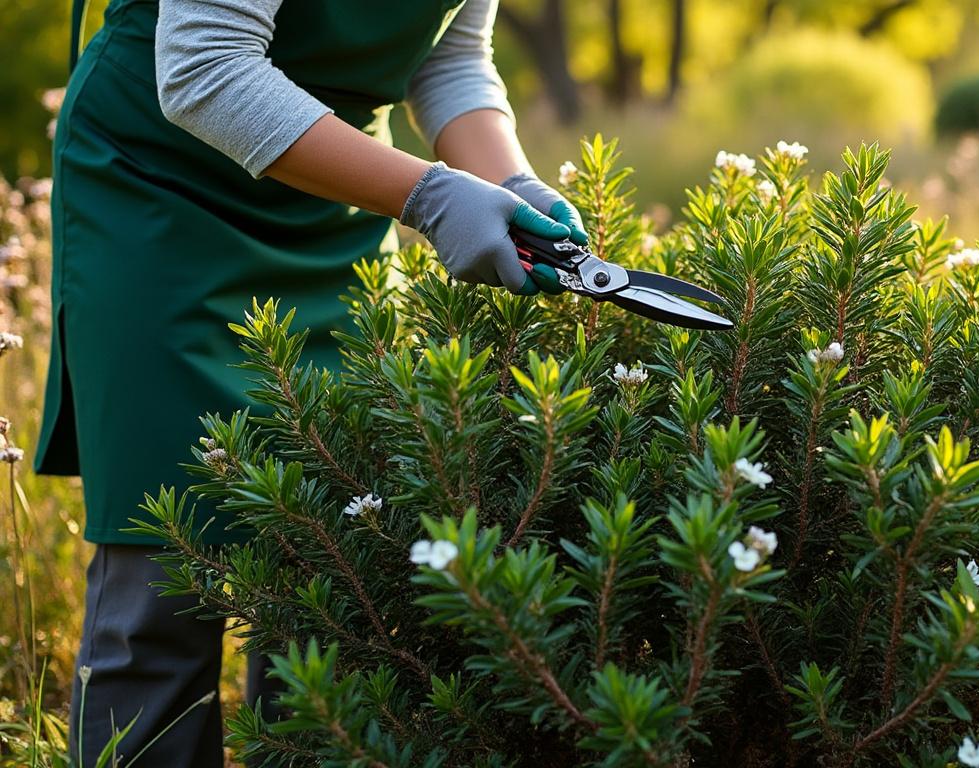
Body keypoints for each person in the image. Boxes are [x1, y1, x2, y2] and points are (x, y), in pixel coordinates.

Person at [36, 0, 585, 763]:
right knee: (161, 577)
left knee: (334, 577)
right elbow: (205, 66)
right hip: (157, 187)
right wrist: (429, 195)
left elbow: (448, 55)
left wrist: (510, 180)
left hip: (339, 200)